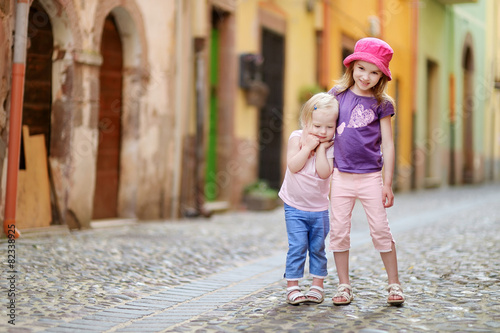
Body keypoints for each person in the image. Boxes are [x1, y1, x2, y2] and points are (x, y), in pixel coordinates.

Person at [327, 37, 405, 306]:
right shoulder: (336, 95)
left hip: (371, 176)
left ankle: (394, 282)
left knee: (381, 230)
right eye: (362, 69)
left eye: (374, 72)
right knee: (338, 230)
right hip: (340, 176)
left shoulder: (382, 103)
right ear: (352, 67)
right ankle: (343, 285)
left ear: (381, 76)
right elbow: (323, 130)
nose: (366, 76)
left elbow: (388, 144)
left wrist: (387, 183)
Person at [278, 92, 339, 305]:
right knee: (297, 246)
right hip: (294, 206)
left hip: (319, 209)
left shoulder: (330, 146)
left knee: (317, 247)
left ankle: (317, 285)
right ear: (306, 122)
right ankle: (292, 286)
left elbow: (324, 173)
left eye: (329, 127)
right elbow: (293, 166)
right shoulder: (296, 138)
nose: (323, 132)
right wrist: (308, 147)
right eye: (317, 126)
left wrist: (321, 149)